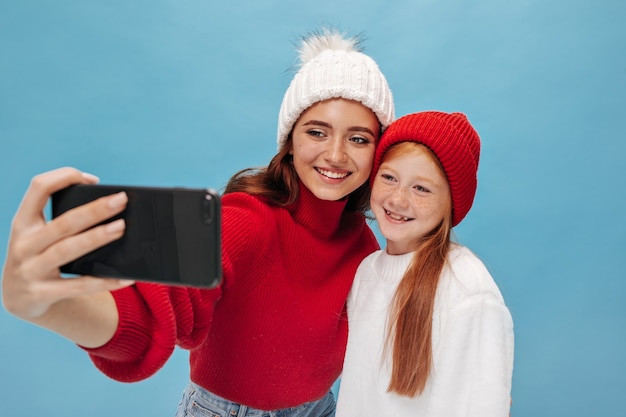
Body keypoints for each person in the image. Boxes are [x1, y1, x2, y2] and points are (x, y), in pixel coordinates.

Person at [1, 28, 394, 416]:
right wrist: (46, 305)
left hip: (321, 408)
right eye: (316, 132)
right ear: (290, 142)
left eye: (358, 139)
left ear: (379, 151)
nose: (336, 155)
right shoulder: (246, 222)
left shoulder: (363, 245)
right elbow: (148, 311)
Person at [335, 111, 514, 416]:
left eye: (421, 188)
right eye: (389, 178)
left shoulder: (465, 287)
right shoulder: (367, 272)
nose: (398, 200)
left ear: (451, 203)